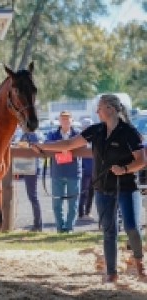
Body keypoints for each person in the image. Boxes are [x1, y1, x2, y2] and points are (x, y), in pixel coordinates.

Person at [31, 94, 146, 283]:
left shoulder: (129, 132)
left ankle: (139, 262)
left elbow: (141, 161)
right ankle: (111, 272)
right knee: (109, 230)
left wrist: (124, 169)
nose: (96, 111)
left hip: (126, 187)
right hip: (102, 188)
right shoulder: (96, 130)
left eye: (99, 107)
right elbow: (69, 144)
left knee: (132, 227)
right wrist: (42, 146)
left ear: (110, 108)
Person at [44, 111, 82, 233]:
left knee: (73, 203)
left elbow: (84, 146)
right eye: (63, 119)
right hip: (57, 172)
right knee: (57, 202)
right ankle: (60, 228)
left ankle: (69, 227)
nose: (65, 121)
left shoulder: (78, 134)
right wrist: (64, 148)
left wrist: (65, 148)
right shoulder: (52, 134)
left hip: (73, 172)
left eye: (67, 119)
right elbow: (46, 145)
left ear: (72, 120)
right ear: (59, 121)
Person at [19, 130, 44, 232]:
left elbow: (34, 149)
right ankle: (37, 224)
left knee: (33, 196)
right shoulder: (25, 134)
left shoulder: (33, 134)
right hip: (26, 166)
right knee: (32, 196)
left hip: (31, 167)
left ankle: (38, 225)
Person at [78, 118, 94, 220]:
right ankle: (81, 213)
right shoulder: (80, 139)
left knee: (91, 192)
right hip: (84, 169)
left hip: (94, 169)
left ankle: (87, 212)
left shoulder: (95, 138)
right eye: (85, 126)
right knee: (83, 192)